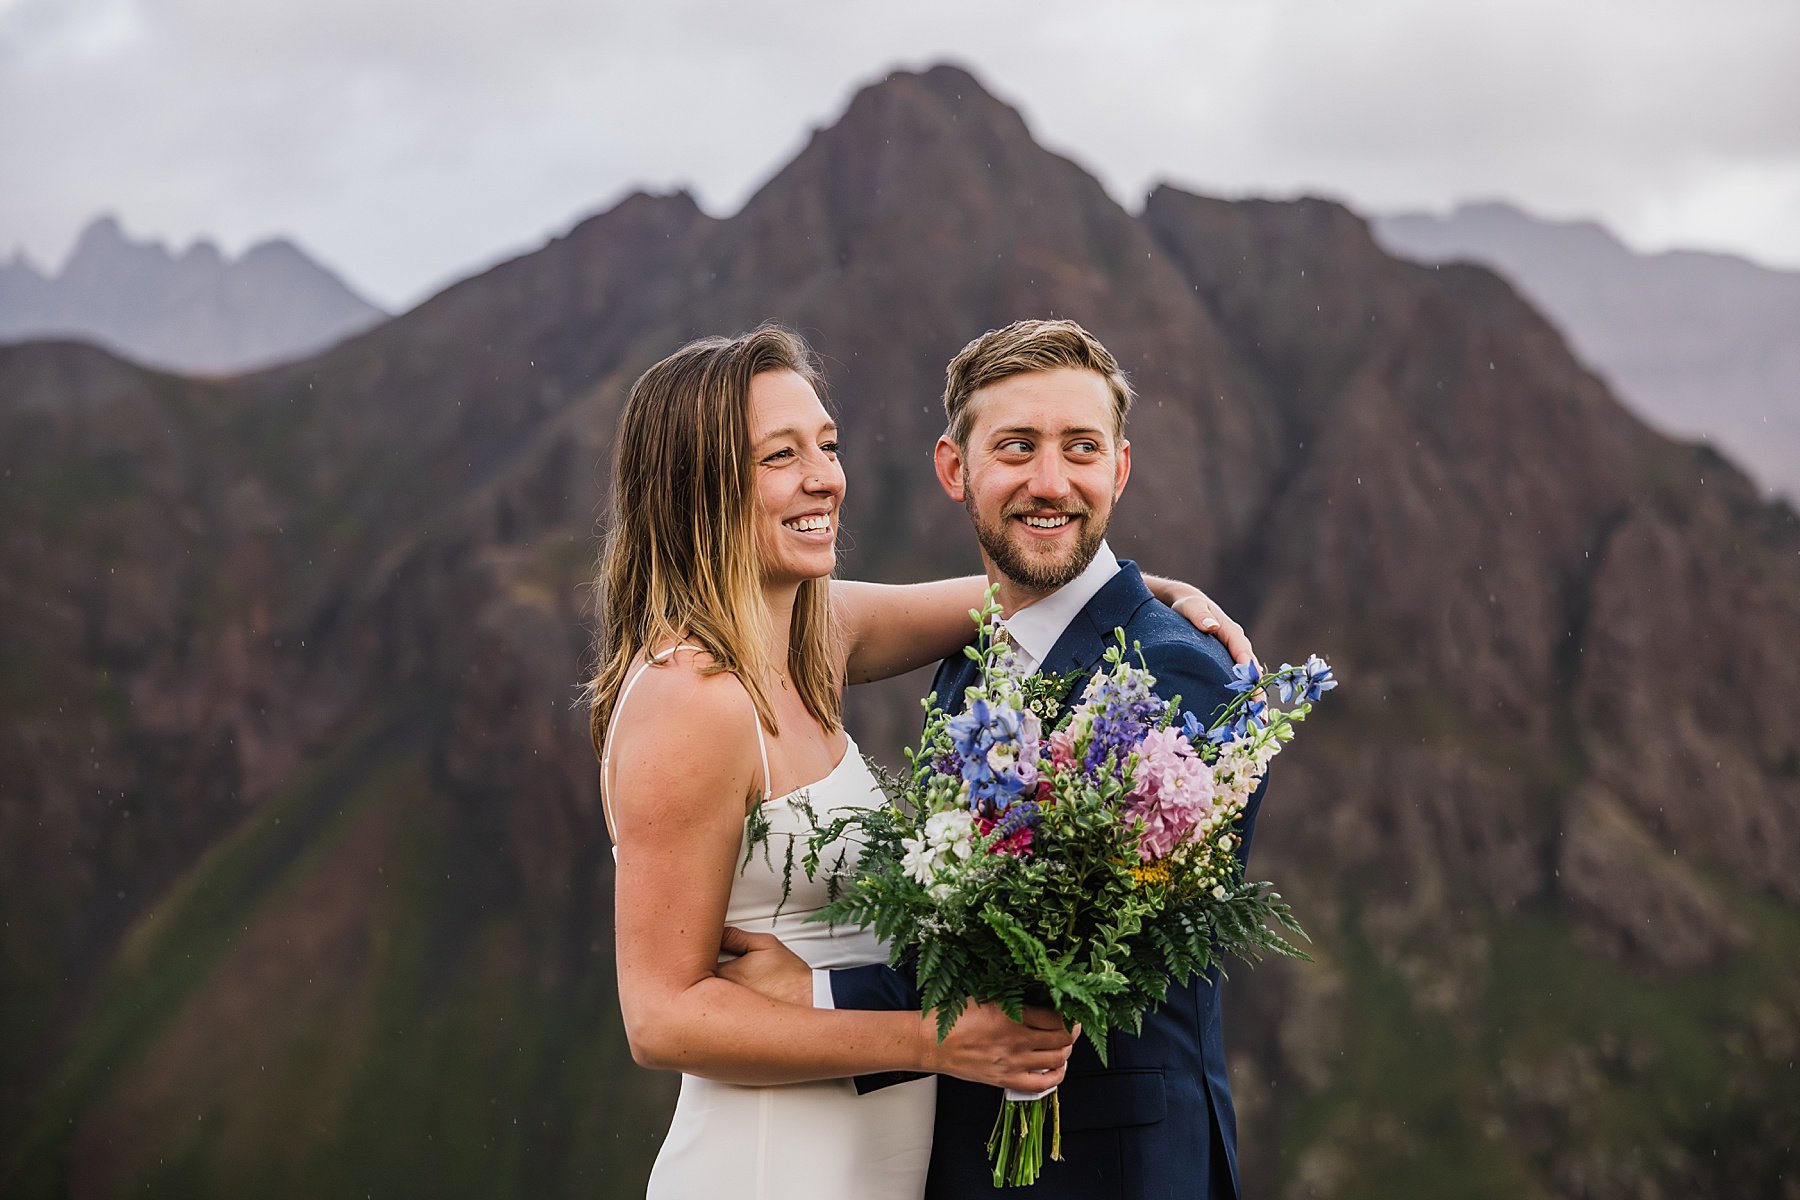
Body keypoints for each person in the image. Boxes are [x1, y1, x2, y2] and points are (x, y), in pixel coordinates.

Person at [591, 325, 1253, 1199]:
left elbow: (1023, 587)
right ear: (697, 486)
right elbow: (661, 1018)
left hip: (914, 1159)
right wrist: (930, 1036)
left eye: (825, 445)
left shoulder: (809, 636)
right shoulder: (692, 699)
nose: (824, 476)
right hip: (777, 1157)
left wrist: (1146, 590)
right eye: (779, 455)